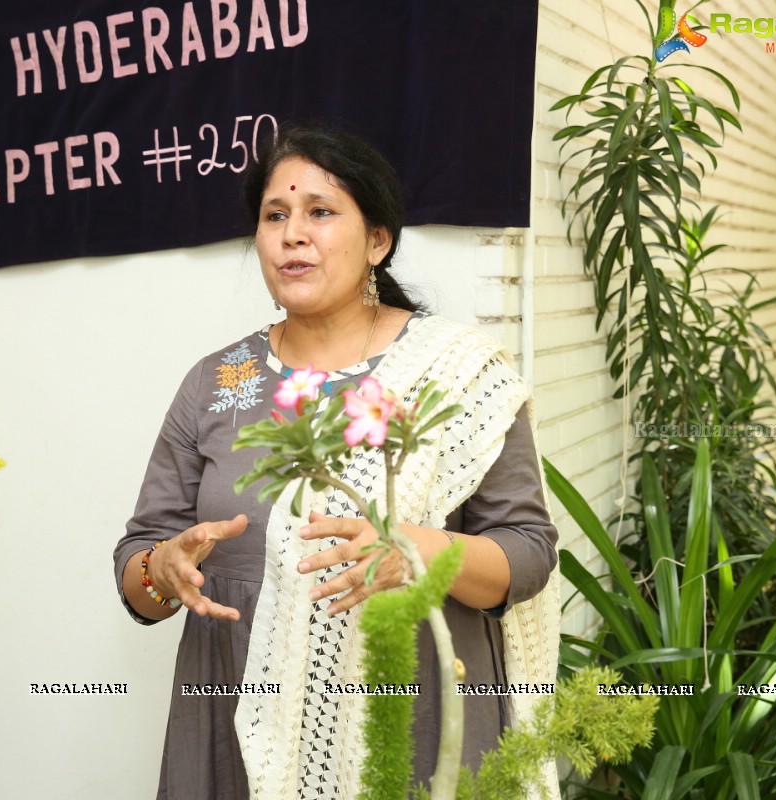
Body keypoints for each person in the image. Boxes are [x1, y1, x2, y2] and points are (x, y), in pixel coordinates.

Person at [113, 126, 559, 800]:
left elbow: (527, 555)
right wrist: (162, 568)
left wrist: (418, 550)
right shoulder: (217, 383)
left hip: (404, 724)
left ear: (378, 240)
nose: (294, 234)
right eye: (275, 215)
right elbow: (138, 565)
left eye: (321, 211)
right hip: (238, 724)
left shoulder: (455, 374)